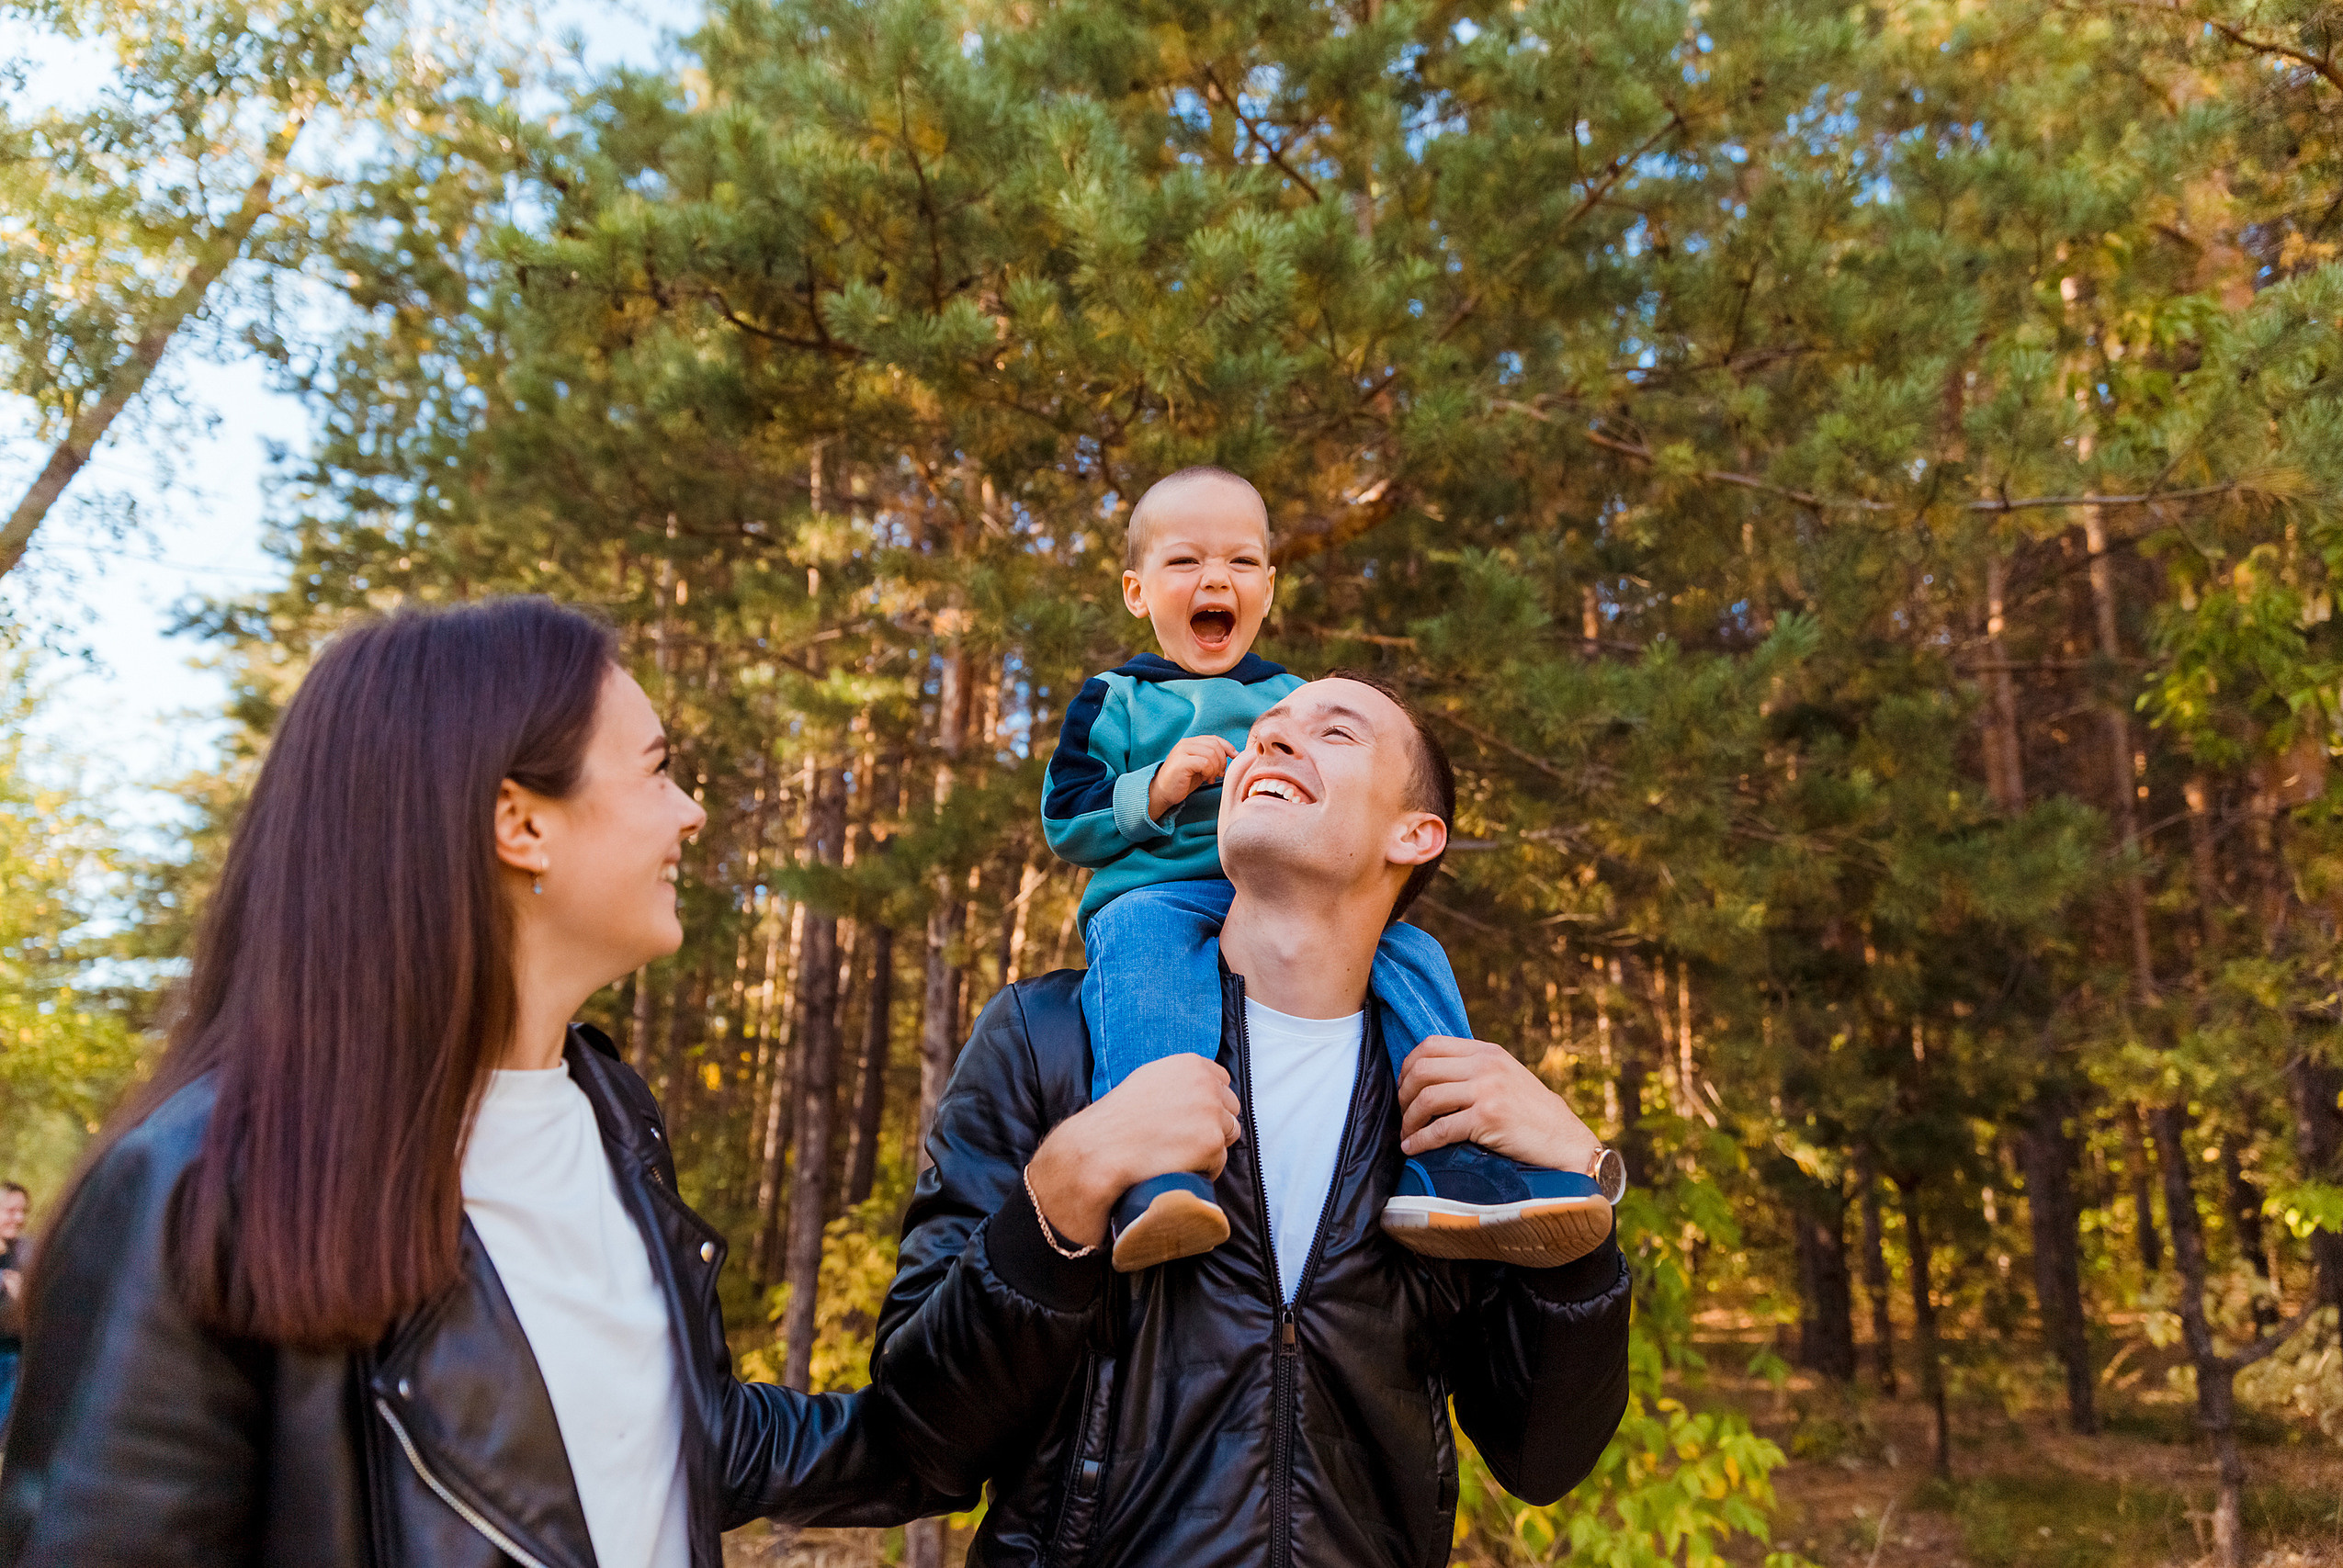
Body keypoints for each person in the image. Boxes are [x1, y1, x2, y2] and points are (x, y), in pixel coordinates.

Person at [0, 599, 1215, 1568]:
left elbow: (861, 1450)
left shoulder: (612, 1132)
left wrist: (1046, 1225)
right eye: (655, 770)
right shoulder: (190, 1190)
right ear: (520, 823)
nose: (691, 811)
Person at [880, 673, 1634, 1568]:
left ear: (1415, 834)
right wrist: (1061, 1200)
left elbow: (1542, 1458)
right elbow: (923, 1435)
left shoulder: (1458, 1119)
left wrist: (1582, 1211)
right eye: (1267, 726)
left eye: (1335, 732)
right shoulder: (1049, 1042)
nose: (1269, 739)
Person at [1041, 466, 1619, 1270]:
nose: (1216, 578)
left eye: (1241, 562)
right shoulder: (1118, 699)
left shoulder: (1290, 698)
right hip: (1155, 894)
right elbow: (1066, 818)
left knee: (1415, 954)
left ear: (1268, 590)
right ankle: (1159, 1172)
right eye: (1185, 562)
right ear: (1137, 591)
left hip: (1273, 903)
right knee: (1149, 976)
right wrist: (1159, 785)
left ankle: (1456, 1163)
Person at [0, 1182, 27, 1432]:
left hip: (13, 1356)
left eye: (23, 1211)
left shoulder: (25, 1252)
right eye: (11, 1211)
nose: (19, 1218)